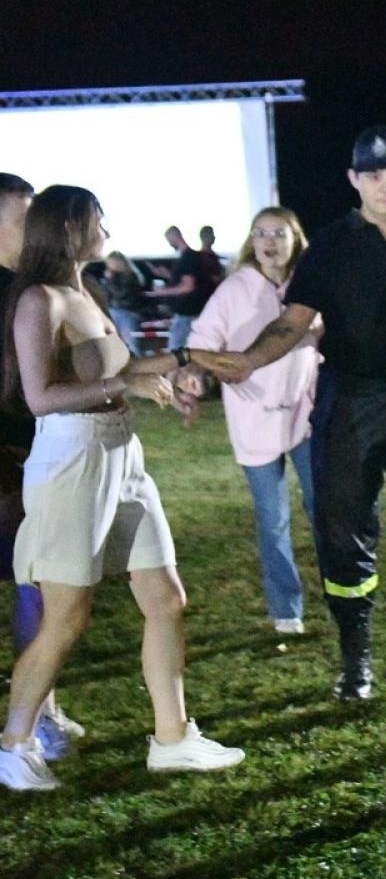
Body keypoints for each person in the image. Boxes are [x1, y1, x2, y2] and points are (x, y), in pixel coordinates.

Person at [210, 126, 386, 702]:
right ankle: (354, 662)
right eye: (374, 174)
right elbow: (293, 321)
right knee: (344, 538)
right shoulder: (330, 248)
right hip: (347, 405)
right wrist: (248, 361)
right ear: (355, 180)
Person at [0, 185, 244, 792]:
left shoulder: (89, 292)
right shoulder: (39, 301)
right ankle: (13, 744)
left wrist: (183, 362)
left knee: (164, 598)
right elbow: (41, 398)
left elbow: (119, 370)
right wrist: (125, 388)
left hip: (121, 455)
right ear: (68, 229)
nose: (105, 226)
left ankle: (172, 739)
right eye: (96, 218)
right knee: (66, 617)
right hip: (72, 461)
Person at [177, 208, 318, 635]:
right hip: (253, 416)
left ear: (295, 238)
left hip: (306, 414)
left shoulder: (310, 285)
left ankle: (342, 594)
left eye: (278, 233)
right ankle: (286, 608)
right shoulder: (234, 289)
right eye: (260, 234)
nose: (269, 241)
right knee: (272, 517)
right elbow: (200, 343)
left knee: (325, 509)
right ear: (251, 242)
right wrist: (192, 376)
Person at [0, 173, 76, 763]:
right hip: (10, 462)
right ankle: (30, 725)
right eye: (25, 220)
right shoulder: (18, 296)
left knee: (39, 586)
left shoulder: (29, 289)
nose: (35, 232)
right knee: (38, 587)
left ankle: (42, 709)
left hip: (28, 454)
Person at [146, 225, 210, 352]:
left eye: (169, 240)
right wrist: (167, 275)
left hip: (186, 316)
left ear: (174, 237)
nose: (169, 244)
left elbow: (187, 286)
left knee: (175, 354)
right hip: (190, 314)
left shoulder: (188, 258)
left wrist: (162, 292)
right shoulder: (190, 257)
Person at [100, 251, 149, 355]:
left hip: (126, 312)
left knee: (131, 343)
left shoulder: (129, 277)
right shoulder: (118, 276)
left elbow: (121, 294)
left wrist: (110, 280)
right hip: (115, 311)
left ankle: (139, 367)